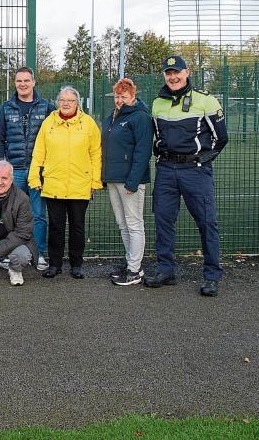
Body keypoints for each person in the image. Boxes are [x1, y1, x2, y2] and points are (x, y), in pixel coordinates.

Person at [145, 55, 228, 297]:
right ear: (164, 75)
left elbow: (221, 138)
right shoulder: (157, 103)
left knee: (207, 223)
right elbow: (156, 136)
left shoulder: (206, 100)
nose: (173, 77)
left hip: (195, 172)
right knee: (163, 221)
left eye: (177, 72)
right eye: (169, 73)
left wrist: (201, 159)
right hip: (166, 170)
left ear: (187, 72)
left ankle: (212, 276)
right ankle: (166, 270)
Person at [28, 86, 102, 279]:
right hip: (54, 184)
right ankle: (55, 264)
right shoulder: (48, 123)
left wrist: (95, 181)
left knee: (77, 226)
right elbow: (39, 152)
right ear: (58, 102)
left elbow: (96, 154)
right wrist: (34, 177)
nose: (66, 103)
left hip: (80, 184)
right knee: (56, 227)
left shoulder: (88, 124)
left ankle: (76, 265)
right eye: (63, 100)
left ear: (78, 103)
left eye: (70, 100)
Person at [0, 67, 55, 271]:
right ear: (15, 83)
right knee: (9, 214)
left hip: (39, 171)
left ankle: (39, 254)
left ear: (34, 82)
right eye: (19, 81)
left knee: (38, 214)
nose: (23, 84)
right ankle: (7, 254)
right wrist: (2, 165)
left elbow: (54, 138)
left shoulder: (47, 107)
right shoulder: (6, 107)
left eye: (26, 80)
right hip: (15, 170)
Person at [102, 78, 153, 286]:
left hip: (130, 181)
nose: (119, 100)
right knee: (123, 224)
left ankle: (134, 270)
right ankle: (132, 263)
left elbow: (143, 151)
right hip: (113, 179)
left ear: (133, 96)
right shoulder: (111, 117)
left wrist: (133, 181)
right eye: (117, 96)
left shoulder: (141, 117)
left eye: (124, 96)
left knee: (134, 224)